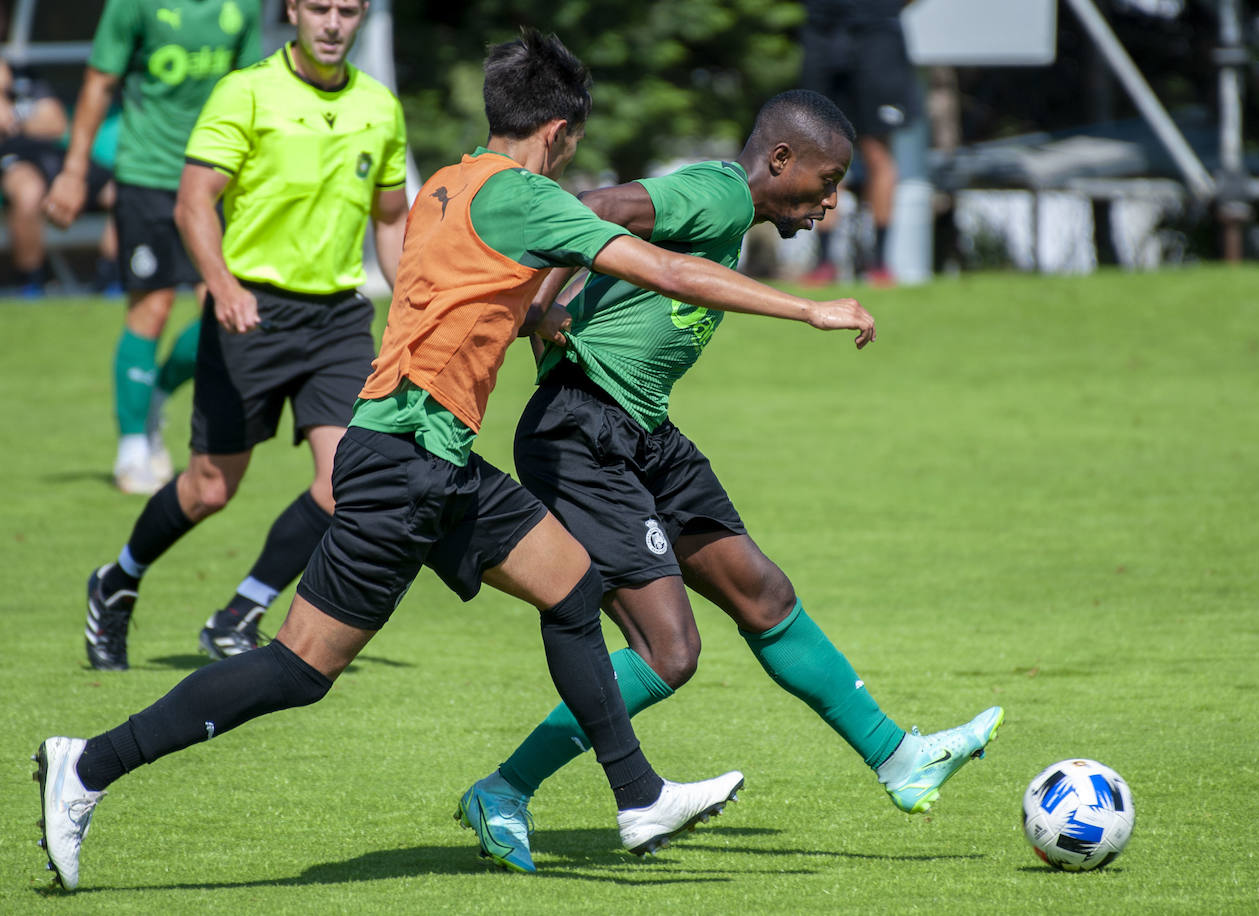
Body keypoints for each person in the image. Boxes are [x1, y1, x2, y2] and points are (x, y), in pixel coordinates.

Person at [33, 27, 878, 891]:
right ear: (556, 133)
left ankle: (638, 795)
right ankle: (90, 765)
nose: (565, 162)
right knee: (296, 669)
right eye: (569, 147)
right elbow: (664, 269)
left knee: (573, 583)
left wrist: (536, 316)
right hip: (405, 463)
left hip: (426, 454)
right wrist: (807, 310)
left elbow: (466, 295)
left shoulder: (447, 184)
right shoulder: (524, 195)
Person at [455, 89, 1002, 874]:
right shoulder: (714, 193)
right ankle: (504, 789)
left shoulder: (727, 217)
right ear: (780, 160)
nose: (830, 201)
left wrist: (552, 309)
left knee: (762, 593)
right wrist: (537, 309)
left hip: (641, 429)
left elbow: (601, 239)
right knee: (669, 650)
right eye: (827, 179)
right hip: (581, 433)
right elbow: (593, 205)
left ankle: (900, 759)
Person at [82, 0, 407, 672]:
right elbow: (193, 200)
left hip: (340, 317)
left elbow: (391, 217)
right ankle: (117, 580)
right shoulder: (245, 91)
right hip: (251, 312)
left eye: (348, 10)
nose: (332, 23)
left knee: (347, 479)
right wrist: (223, 286)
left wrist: (411, 303)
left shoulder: (380, 106)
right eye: (319, 6)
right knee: (209, 488)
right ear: (291, 9)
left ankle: (241, 611)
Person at [44, 0, 262, 494]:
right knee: (153, 307)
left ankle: (157, 392)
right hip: (147, 175)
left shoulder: (243, 6)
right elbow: (99, 83)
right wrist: (75, 171)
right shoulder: (134, 4)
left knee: (223, 316)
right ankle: (133, 449)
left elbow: (256, 91)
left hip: (217, 179)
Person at [799, 0, 918, 286]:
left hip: (877, 35)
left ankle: (879, 263)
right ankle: (825, 262)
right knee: (820, 151)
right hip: (822, 30)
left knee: (877, 151)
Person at [0, 59, 119, 297]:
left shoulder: (25, 74)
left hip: (54, 158)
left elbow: (56, 123)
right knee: (28, 192)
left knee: (126, 191)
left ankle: (109, 279)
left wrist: (14, 117)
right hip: (12, 159)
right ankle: (32, 284)